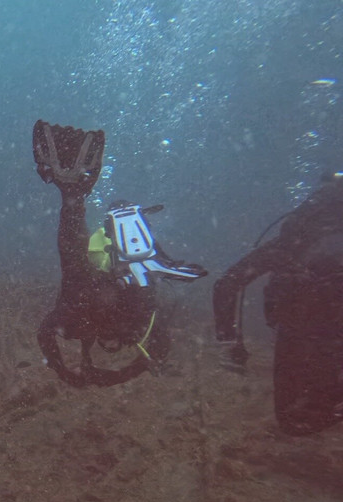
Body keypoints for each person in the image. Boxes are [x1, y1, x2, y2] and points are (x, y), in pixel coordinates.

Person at [31, 119, 207, 387]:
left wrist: (68, 373)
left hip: (109, 287)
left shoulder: (97, 324)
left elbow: (45, 333)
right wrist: (106, 376)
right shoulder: (129, 325)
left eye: (106, 345)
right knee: (75, 268)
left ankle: (74, 194)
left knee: (77, 272)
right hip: (110, 288)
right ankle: (73, 195)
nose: (110, 344)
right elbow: (45, 333)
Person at [213, 171, 343, 435]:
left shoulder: (291, 241)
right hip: (326, 329)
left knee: (293, 420)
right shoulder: (298, 240)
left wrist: (231, 343)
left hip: (301, 327)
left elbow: (226, 284)